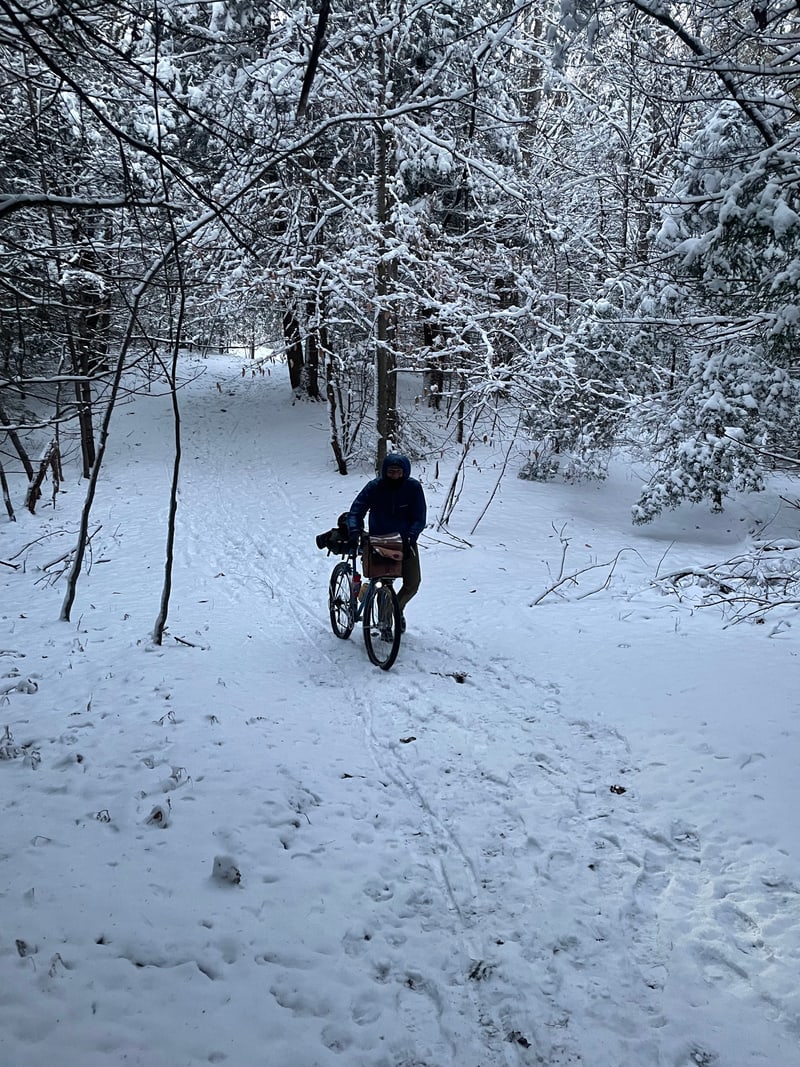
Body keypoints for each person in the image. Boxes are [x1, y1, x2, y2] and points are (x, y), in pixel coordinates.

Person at [346, 453, 427, 630]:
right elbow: (356, 510)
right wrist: (354, 530)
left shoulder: (413, 488)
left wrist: (410, 537)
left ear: (405, 472)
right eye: (391, 472)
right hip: (380, 542)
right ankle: (385, 623)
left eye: (398, 472)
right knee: (384, 584)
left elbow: (419, 518)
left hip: (406, 542)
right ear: (385, 471)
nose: (394, 475)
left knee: (412, 583)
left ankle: (396, 611)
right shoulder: (374, 487)